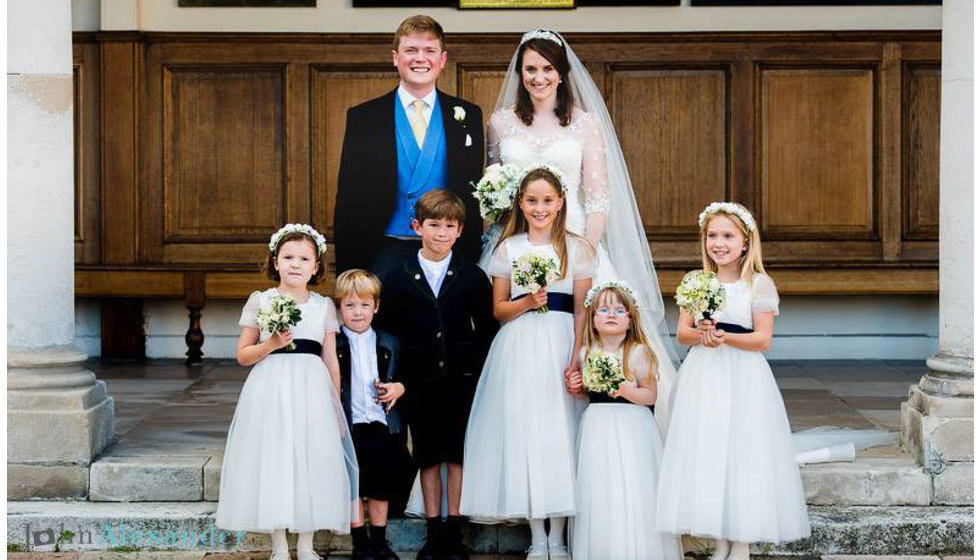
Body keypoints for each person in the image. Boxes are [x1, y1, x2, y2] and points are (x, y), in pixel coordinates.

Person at [484, 28, 679, 434]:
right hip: (520, 241)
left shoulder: (584, 124)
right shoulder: (501, 123)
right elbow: (495, 192)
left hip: (576, 243)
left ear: (561, 73)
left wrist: (583, 252)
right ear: (520, 73)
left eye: (547, 69)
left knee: (594, 339)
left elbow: (598, 198)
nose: (539, 78)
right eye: (530, 69)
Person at [655, 202, 810, 559]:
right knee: (709, 448)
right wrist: (703, 334)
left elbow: (762, 339)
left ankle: (741, 542)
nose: (718, 243)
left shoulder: (758, 284)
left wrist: (726, 337)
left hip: (743, 375)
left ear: (745, 242)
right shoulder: (696, 281)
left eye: (727, 235)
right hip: (704, 376)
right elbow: (682, 333)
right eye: (712, 235)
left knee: (742, 450)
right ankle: (720, 540)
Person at [461, 167, 594, 560]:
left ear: (561, 203)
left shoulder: (579, 249)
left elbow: (582, 311)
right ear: (520, 203)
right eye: (532, 200)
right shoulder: (509, 248)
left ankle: (561, 532)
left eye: (547, 201)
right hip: (519, 344)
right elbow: (499, 310)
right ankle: (538, 534)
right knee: (528, 432)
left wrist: (577, 357)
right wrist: (527, 301)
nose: (540, 208)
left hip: (560, 341)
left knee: (561, 432)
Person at [216, 224, 358, 560]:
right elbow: (243, 355)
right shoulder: (261, 301)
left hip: (312, 389)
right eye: (288, 257)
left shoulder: (323, 306)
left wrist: (335, 405)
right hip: (271, 387)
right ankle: (279, 547)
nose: (296, 264)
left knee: (311, 460)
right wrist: (272, 343)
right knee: (276, 460)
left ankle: (306, 546)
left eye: (304, 258)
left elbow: (330, 359)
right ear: (275, 262)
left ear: (316, 266)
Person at [376, 190, 497, 560]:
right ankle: (433, 531)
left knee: (457, 456)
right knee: (428, 455)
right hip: (418, 382)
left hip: (462, 381)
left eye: (449, 226)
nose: (441, 233)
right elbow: (388, 337)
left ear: (460, 230)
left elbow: (487, 331)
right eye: (433, 225)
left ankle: (453, 534)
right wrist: (396, 380)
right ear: (417, 227)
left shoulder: (472, 276)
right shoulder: (396, 278)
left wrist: (478, 375)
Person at [334, 15, 484, 280]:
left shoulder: (467, 116)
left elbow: (471, 195)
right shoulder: (363, 117)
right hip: (382, 250)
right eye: (410, 50)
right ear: (395, 57)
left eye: (429, 51)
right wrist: (348, 272)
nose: (420, 59)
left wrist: (470, 258)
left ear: (442, 59)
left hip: (447, 252)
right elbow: (348, 199)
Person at [565, 281, 682, 560]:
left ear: (630, 320)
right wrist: (578, 387)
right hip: (598, 425)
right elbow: (587, 395)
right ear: (593, 320)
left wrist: (624, 389)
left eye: (619, 311)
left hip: (632, 425)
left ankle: (637, 548)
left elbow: (650, 396)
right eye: (603, 310)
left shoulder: (638, 352)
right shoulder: (585, 354)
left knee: (632, 480)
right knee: (600, 482)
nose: (611, 315)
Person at [335, 269, 407, 560]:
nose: (357, 312)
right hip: (350, 425)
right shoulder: (334, 344)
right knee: (354, 484)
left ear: (376, 307)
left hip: (381, 423)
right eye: (350, 305)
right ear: (339, 307)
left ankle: (379, 540)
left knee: (380, 483)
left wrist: (398, 388)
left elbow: (404, 377)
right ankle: (359, 543)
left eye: (365, 305)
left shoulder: (390, 342)